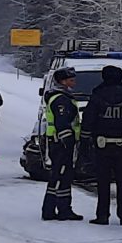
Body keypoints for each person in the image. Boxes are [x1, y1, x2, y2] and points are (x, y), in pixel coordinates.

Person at [80, 64, 122, 226]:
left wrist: (85, 141)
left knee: (103, 181)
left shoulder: (97, 95)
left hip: (102, 145)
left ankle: (103, 216)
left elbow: (88, 119)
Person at [38, 71, 81, 220]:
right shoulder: (61, 100)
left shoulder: (62, 97)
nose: (74, 82)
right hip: (61, 144)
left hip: (59, 142)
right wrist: (68, 141)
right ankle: (50, 209)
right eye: (71, 80)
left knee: (64, 176)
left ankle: (63, 209)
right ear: (63, 82)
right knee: (59, 176)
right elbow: (62, 123)